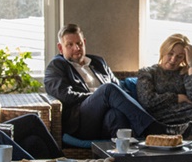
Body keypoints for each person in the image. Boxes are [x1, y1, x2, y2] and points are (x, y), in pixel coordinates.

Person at [44, 24, 174, 141]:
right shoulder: (56, 66)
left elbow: (119, 87)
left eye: (79, 43)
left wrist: (107, 100)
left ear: (84, 42)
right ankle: (155, 128)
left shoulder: (98, 62)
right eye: (70, 45)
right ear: (60, 48)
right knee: (107, 90)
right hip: (81, 122)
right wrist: (98, 96)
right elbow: (65, 96)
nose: (76, 48)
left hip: (105, 119)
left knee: (116, 116)